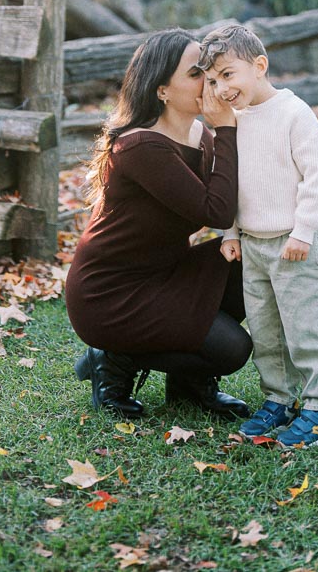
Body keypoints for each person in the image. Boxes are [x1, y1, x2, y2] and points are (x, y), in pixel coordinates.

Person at [65, 27, 253, 421]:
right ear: (162, 90)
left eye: (208, 68)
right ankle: (112, 357)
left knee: (245, 261)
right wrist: (227, 130)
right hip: (111, 294)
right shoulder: (142, 146)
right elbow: (215, 211)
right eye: (196, 73)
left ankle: (187, 388)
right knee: (232, 348)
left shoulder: (198, 134)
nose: (210, 79)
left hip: (163, 273)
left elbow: (231, 195)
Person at [198, 23, 318, 449]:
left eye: (228, 74)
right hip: (253, 244)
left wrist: (304, 232)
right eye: (212, 80)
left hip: (293, 242)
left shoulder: (293, 114)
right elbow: (227, 182)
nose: (221, 87)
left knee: (307, 325)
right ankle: (280, 399)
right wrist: (228, 231)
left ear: (259, 65)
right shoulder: (231, 124)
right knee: (267, 331)